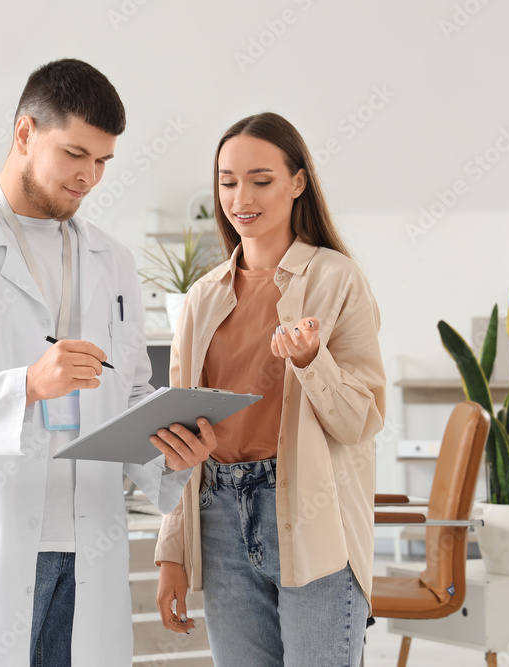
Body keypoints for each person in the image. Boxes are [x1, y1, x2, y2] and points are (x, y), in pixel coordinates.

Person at [0, 58, 216, 667]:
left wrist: (171, 445)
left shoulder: (110, 261)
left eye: (103, 162)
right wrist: (27, 386)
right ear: (24, 133)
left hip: (87, 542)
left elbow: (130, 390)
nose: (90, 176)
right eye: (74, 154)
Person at [153, 112, 386, 666]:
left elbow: (361, 420)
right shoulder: (201, 299)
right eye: (227, 181)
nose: (241, 197)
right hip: (218, 515)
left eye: (261, 180)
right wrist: (172, 554)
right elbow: (179, 436)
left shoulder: (336, 279)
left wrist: (311, 361)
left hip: (312, 516)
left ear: (297, 183)